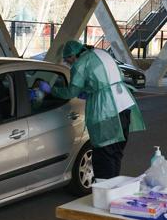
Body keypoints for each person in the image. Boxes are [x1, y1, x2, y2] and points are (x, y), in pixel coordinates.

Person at [51, 40, 146, 181]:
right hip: (124, 104)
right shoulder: (102, 53)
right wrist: (90, 88)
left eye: (67, 60)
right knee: (116, 152)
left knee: (103, 154)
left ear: (72, 55)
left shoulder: (80, 63)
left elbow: (71, 92)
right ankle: (113, 187)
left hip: (106, 109)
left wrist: (51, 90)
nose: (68, 63)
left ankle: (104, 191)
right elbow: (107, 77)